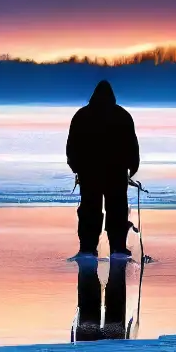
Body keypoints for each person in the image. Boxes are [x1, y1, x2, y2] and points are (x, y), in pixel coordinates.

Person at [66, 80, 140, 258]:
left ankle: (87, 248)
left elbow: (71, 146)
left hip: (89, 173)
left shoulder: (81, 116)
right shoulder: (123, 116)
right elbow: (132, 145)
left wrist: (76, 167)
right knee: (117, 210)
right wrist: (133, 168)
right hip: (116, 173)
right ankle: (118, 249)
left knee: (89, 211)